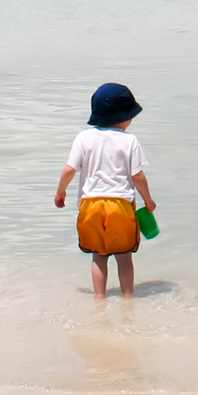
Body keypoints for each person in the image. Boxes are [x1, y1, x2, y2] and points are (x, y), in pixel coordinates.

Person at [54, 83, 155, 299]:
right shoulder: (130, 141)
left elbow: (70, 169)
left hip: (90, 206)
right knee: (124, 256)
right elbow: (137, 176)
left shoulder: (83, 138)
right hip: (120, 206)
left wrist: (60, 191)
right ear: (124, 115)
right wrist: (148, 201)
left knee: (98, 256)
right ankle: (128, 298)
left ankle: (99, 298)